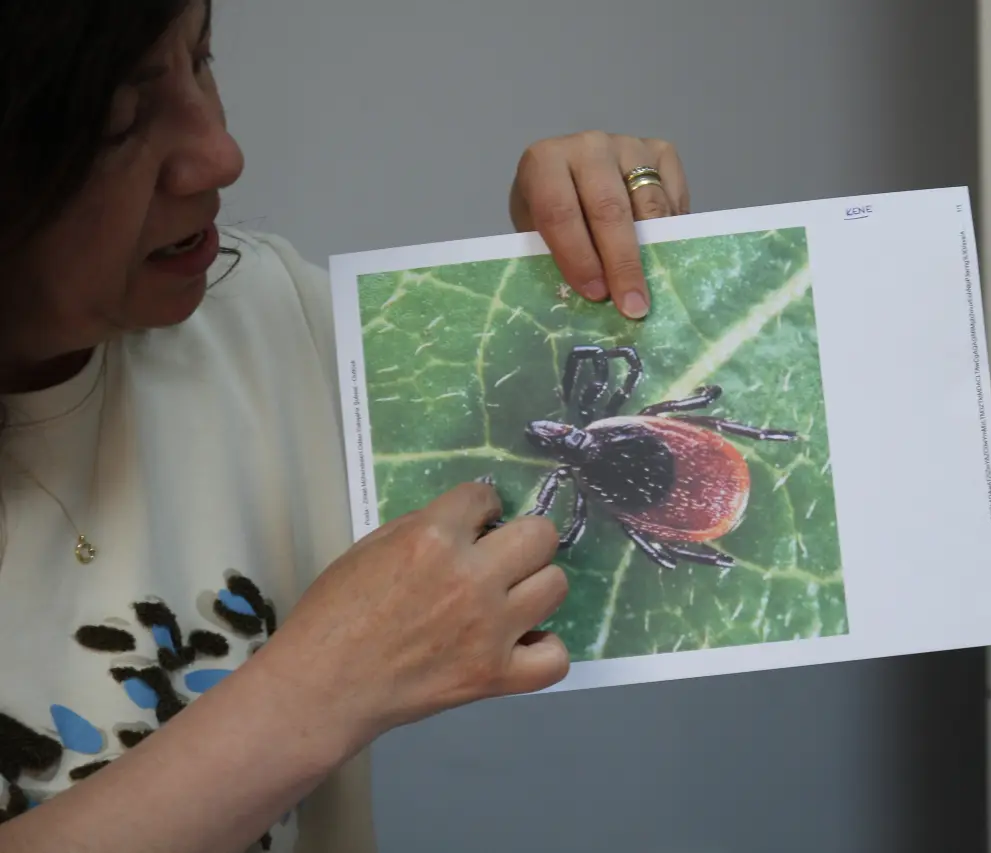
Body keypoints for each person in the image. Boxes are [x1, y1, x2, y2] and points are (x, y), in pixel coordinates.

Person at [0, 1, 691, 851]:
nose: (221, 153)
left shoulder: (267, 319)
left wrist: (581, 271)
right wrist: (324, 686)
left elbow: (543, 522)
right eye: (123, 119)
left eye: (202, 60)